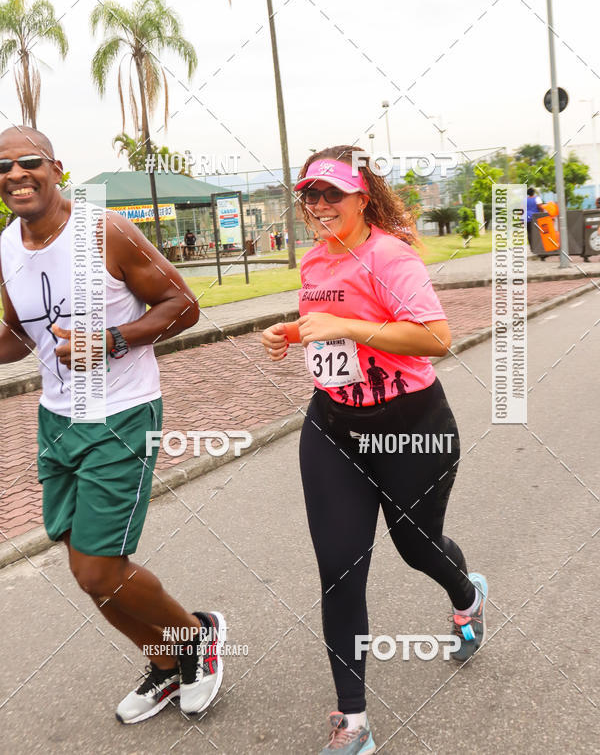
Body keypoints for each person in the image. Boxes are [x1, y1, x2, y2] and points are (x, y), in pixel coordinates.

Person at [262, 146, 487, 754]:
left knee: (416, 547)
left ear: (363, 196)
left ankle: (466, 595)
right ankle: (353, 721)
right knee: (339, 570)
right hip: (333, 428)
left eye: (332, 193)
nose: (319, 205)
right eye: (310, 195)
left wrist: (349, 329)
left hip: (411, 426)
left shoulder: (390, 255)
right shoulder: (313, 261)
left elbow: (437, 337)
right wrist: (292, 332)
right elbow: (328, 326)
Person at [0, 126, 226, 725]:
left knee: (100, 566)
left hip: (121, 414)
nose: (16, 175)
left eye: (29, 163)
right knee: (88, 575)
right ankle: (167, 664)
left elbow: (183, 304)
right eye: (3, 167)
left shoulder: (104, 230)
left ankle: (197, 636)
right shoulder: (6, 246)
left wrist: (109, 341)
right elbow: (19, 336)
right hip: (57, 420)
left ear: (55, 168)